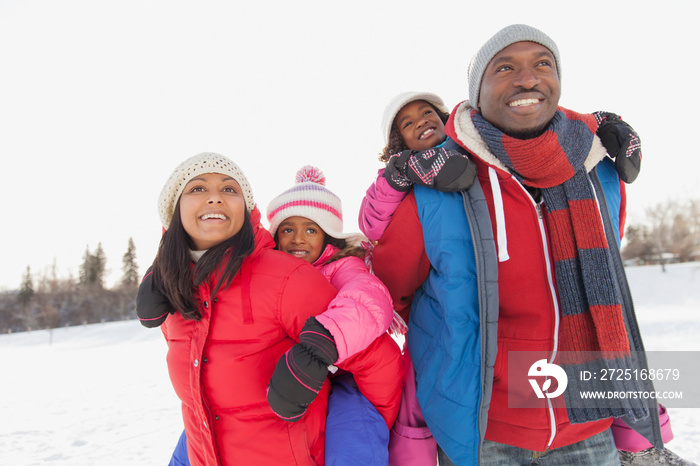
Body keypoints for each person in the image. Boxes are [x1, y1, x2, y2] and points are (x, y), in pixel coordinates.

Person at [367, 24, 661, 465]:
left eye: (543, 64)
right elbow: (392, 291)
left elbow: (610, 273)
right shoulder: (437, 184)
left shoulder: (599, 170)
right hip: (485, 428)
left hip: (586, 420)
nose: (527, 79)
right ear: (476, 94)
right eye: (505, 68)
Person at [136, 152, 401, 466]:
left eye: (229, 189)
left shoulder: (315, 272)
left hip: (337, 370)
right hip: (211, 439)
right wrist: (163, 268)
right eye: (197, 189)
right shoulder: (178, 290)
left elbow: (368, 302)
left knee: (354, 436)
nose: (215, 198)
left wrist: (322, 347)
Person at [266, 165, 403, 465]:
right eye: (288, 229)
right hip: (295, 373)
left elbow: (368, 298)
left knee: (352, 435)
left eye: (310, 229)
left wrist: (326, 339)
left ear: (328, 236)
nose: (298, 239)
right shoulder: (271, 271)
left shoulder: (341, 266)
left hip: (347, 377)